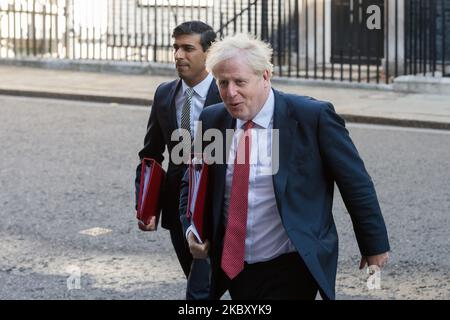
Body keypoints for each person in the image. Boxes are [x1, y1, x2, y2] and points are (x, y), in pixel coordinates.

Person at [179, 33, 390, 300]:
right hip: (231, 263)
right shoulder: (213, 119)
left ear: (265, 76)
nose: (230, 93)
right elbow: (192, 182)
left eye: (240, 82)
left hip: (290, 263)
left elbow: (355, 182)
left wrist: (374, 245)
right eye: (223, 83)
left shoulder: (312, 117)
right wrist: (191, 229)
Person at [135, 21, 221, 300]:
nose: (178, 55)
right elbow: (151, 153)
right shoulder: (164, 93)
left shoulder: (227, 93)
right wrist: (145, 204)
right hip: (178, 208)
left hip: (218, 205)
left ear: (209, 52)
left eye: (188, 48)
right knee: (197, 285)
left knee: (214, 286)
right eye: (175, 48)